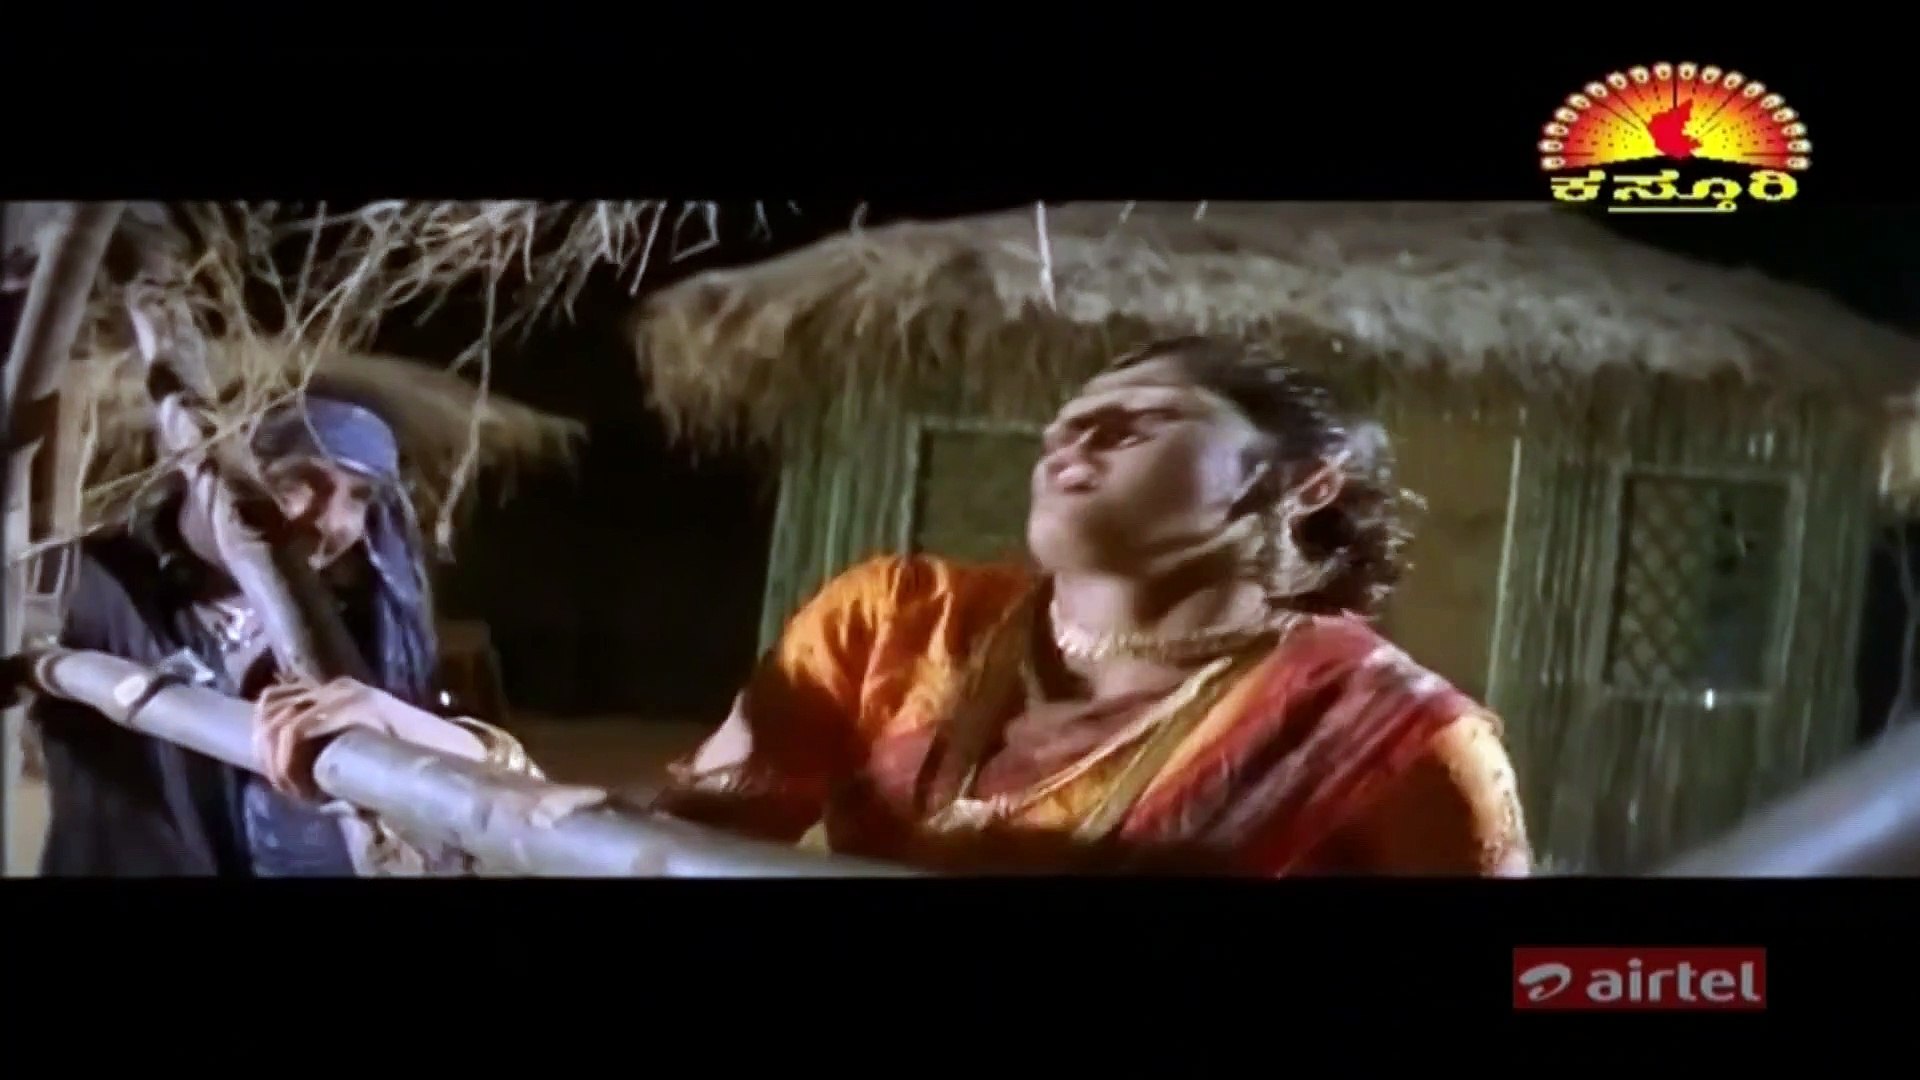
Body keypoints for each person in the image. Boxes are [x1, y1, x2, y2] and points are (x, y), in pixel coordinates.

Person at [261, 335, 1531, 876]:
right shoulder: (896, 622)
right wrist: (440, 749)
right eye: (1069, 417)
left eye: (1141, 419)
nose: (1073, 438)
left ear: (1306, 484)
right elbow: (680, 835)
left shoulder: (1396, 746)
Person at [31, 393, 511, 876]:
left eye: (360, 496)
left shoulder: (360, 630)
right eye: (299, 481)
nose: (332, 522)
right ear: (202, 472)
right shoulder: (90, 587)